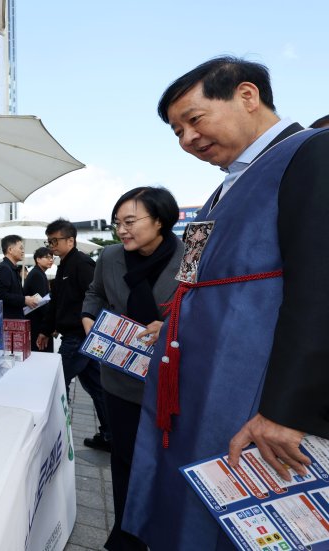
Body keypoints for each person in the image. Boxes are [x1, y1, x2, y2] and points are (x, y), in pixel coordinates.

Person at [124, 56, 329, 550]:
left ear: (247, 95)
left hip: (256, 394)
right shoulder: (225, 187)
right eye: (177, 131)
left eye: (194, 119)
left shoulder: (313, 152)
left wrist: (289, 410)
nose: (187, 139)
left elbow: (320, 286)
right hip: (201, 385)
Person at [81, 187, 183, 551]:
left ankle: (164, 531)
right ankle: (126, 537)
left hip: (170, 380)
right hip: (120, 377)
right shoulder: (110, 256)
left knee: (165, 461)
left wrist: (171, 326)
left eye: (130, 221)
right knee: (124, 458)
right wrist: (88, 317)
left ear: (160, 221)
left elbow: (207, 307)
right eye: (117, 223)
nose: (121, 230)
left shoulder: (191, 257)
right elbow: (94, 293)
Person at [37, 219, 111, 452]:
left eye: (55, 241)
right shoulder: (63, 266)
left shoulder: (82, 263)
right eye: (49, 242)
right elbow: (57, 302)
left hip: (79, 336)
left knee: (59, 382)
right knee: (96, 387)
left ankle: (59, 436)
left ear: (70, 240)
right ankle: (110, 435)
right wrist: (46, 330)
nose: (51, 246)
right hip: (75, 335)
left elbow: (97, 297)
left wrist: (93, 330)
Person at [0, 235, 39, 319]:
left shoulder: (12, 268)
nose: (23, 251)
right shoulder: (4, 268)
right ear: (10, 250)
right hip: (8, 321)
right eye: (21, 248)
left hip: (14, 319)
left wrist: (26, 298)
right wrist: (24, 300)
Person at [23, 247, 54, 352]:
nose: (51, 260)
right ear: (38, 259)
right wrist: (50, 324)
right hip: (37, 322)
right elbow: (42, 303)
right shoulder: (37, 274)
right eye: (47, 257)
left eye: (52, 257)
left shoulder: (39, 273)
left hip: (37, 320)